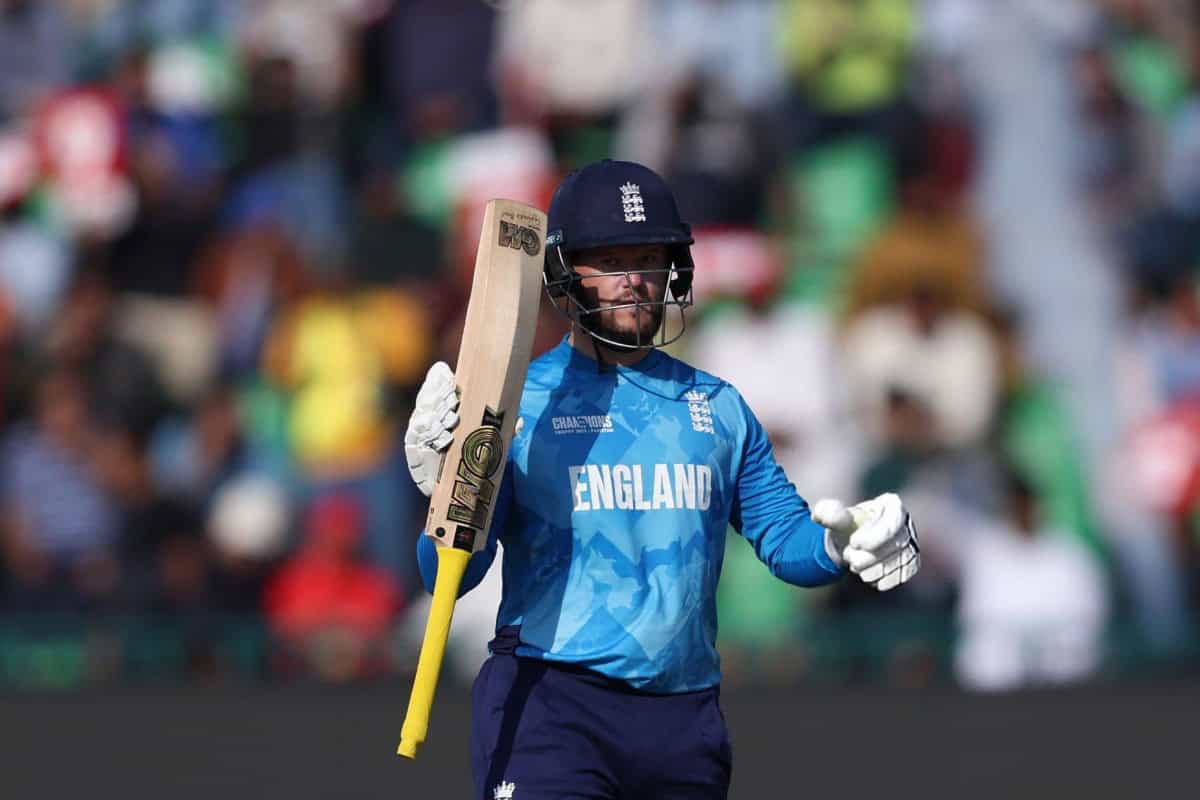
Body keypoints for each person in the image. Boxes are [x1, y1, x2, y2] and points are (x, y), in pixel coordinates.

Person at [404, 160, 920, 800]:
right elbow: (450, 574)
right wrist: (445, 494)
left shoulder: (718, 407)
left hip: (684, 717)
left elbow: (786, 541)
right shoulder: (518, 405)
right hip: (552, 703)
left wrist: (842, 544)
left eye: (649, 259)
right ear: (565, 274)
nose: (634, 282)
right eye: (611, 262)